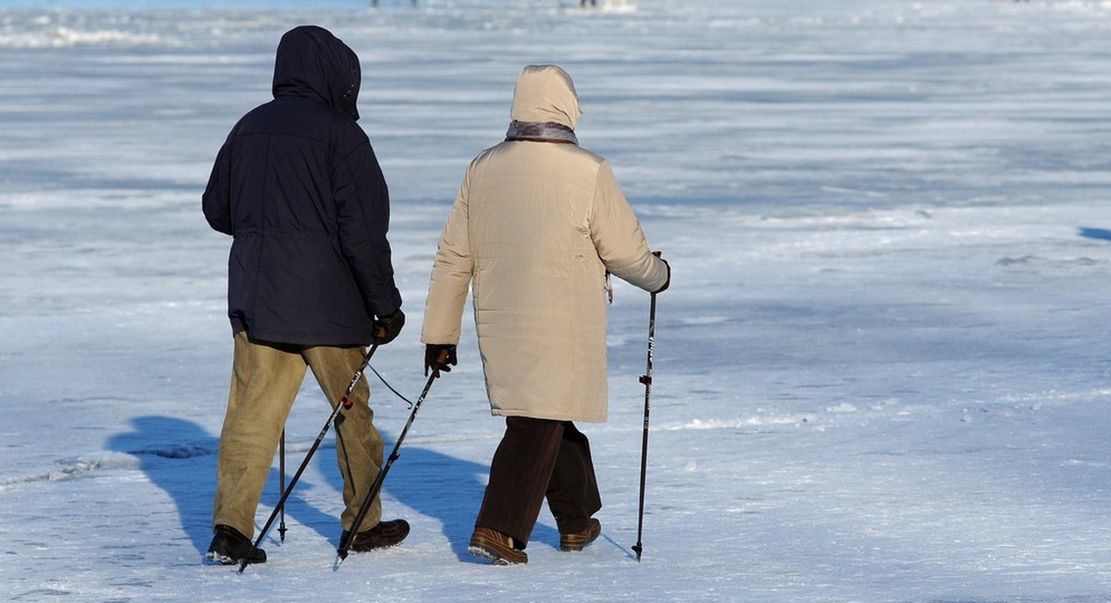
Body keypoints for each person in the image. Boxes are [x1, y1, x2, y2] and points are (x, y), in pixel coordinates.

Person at [420, 64, 670, 565]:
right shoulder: (587, 169)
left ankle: (576, 522)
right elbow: (622, 252)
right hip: (564, 318)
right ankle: (499, 528)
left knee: (545, 411)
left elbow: (454, 257)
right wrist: (658, 275)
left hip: (499, 316)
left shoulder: (482, 167)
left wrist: (440, 333)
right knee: (536, 420)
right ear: (567, 106)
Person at [201, 25, 409, 565]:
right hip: (329, 309)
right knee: (351, 414)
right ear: (337, 77)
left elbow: (216, 210)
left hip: (259, 299)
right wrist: (386, 307)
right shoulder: (342, 137)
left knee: (251, 416)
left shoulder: (246, 128)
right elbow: (363, 233)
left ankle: (230, 528)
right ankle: (362, 524)